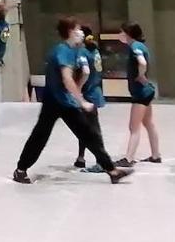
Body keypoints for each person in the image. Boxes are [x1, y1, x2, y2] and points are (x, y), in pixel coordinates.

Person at [13, 18, 132, 185]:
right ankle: (21, 169)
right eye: (78, 30)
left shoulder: (73, 50)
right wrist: (82, 101)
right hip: (55, 101)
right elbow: (67, 78)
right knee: (41, 135)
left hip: (63, 101)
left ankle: (112, 170)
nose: (82, 33)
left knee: (87, 134)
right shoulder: (63, 51)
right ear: (70, 32)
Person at [118, 21, 161, 165]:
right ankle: (156, 155)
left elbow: (142, 62)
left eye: (122, 32)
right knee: (148, 123)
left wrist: (141, 75)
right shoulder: (140, 46)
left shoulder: (135, 46)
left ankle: (129, 158)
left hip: (140, 93)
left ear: (128, 33)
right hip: (146, 91)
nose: (120, 34)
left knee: (133, 127)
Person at [73, 27, 108, 169]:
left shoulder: (82, 52)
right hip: (96, 91)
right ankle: (81, 157)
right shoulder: (95, 50)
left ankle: (102, 161)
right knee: (86, 128)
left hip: (88, 94)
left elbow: (86, 72)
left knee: (93, 129)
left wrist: (78, 88)